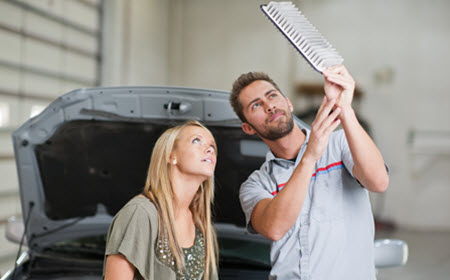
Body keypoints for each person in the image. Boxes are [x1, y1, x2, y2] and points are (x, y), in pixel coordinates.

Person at [229, 65, 389, 279]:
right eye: (256, 105)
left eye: (272, 96)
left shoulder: (340, 145)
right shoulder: (256, 185)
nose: (269, 106)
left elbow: (378, 182)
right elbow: (274, 227)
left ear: (288, 103)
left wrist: (345, 109)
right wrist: (310, 156)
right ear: (248, 128)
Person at [103, 120, 219, 280]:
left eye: (212, 146)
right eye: (196, 140)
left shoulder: (203, 226)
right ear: (171, 156)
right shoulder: (140, 213)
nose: (209, 149)